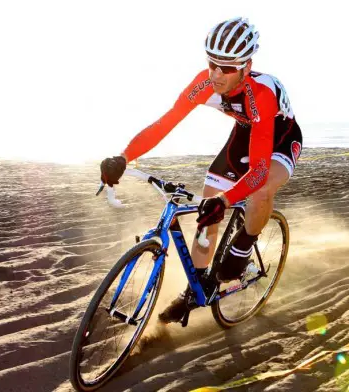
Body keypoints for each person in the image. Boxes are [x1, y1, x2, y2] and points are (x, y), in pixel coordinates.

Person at [100, 17, 303, 324]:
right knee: (206, 215)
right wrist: (124, 156)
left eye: (228, 68)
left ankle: (246, 243)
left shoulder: (260, 94)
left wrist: (225, 201)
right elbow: (163, 125)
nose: (217, 74)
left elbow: (260, 169)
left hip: (280, 138)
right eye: (212, 64)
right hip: (245, 134)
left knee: (259, 190)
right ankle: (193, 289)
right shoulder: (203, 84)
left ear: (246, 67)